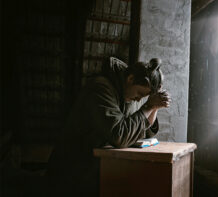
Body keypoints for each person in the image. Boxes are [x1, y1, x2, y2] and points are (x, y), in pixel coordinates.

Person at [47, 57, 171, 197]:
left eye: (143, 98)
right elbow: (119, 136)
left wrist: (155, 106)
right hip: (72, 171)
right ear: (130, 79)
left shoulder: (129, 92)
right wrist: (148, 106)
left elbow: (144, 132)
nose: (139, 100)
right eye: (140, 94)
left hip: (96, 168)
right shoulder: (101, 88)